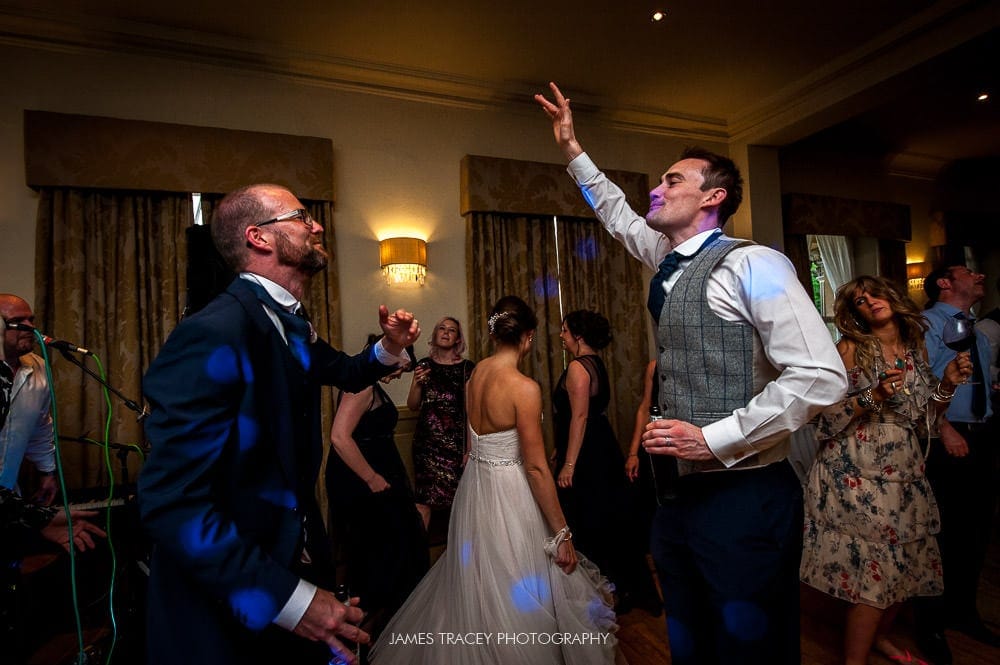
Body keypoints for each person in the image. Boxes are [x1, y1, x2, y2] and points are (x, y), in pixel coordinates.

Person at [535, 82, 847, 664]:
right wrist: (572, 147)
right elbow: (617, 215)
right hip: (676, 498)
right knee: (691, 637)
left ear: (714, 197)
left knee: (749, 645)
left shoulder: (753, 263)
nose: (657, 186)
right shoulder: (667, 260)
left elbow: (820, 375)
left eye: (673, 180)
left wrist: (712, 439)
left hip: (745, 496)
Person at [138, 183, 421, 665]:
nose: (317, 226)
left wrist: (390, 348)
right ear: (259, 238)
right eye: (301, 216)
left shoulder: (289, 319)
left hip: (289, 553)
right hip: (226, 598)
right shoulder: (213, 331)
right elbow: (171, 501)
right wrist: (291, 601)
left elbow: (344, 371)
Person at [369, 296, 622, 664]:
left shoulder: (476, 376)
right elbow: (535, 469)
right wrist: (561, 534)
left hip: (474, 486)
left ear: (493, 334)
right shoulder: (523, 387)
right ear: (529, 336)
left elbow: (471, 444)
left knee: (480, 571)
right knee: (516, 569)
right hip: (508, 487)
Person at [800, 275, 968, 665]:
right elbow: (821, 419)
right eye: (860, 301)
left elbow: (922, 418)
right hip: (855, 470)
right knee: (874, 573)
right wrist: (873, 396)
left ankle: (879, 638)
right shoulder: (849, 350)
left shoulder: (915, 348)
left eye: (874, 293)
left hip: (904, 469)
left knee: (905, 568)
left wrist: (947, 385)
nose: (870, 301)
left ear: (891, 297)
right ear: (854, 314)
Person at [916, 265, 1000, 662]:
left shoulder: (978, 331)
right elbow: (919, 385)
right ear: (945, 284)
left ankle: (963, 612)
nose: (980, 275)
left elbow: (975, 383)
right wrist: (943, 428)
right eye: (970, 272)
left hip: (980, 433)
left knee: (976, 528)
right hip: (943, 435)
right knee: (941, 531)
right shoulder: (924, 325)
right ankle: (930, 625)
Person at [326, 336, 429, 658]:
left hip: (378, 480)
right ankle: (358, 638)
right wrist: (371, 478)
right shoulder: (362, 386)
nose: (400, 374)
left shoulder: (370, 383)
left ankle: (379, 633)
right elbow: (340, 438)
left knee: (402, 548)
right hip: (362, 483)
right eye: (400, 366)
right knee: (385, 557)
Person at [552, 309, 659, 615]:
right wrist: (558, 451)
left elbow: (580, 416)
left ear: (578, 336)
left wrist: (569, 463)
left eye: (565, 330)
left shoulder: (577, 367)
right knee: (608, 518)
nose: (561, 335)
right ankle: (614, 587)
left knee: (589, 520)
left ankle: (601, 590)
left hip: (588, 454)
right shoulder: (595, 362)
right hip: (600, 446)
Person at [406, 316, 475, 531]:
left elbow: (471, 411)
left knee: (462, 502)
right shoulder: (424, 365)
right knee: (423, 501)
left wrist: (469, 448)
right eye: (441, 328)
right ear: (435, 335)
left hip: (455, 446)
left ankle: (460, 559)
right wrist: (417, 384)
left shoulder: (467, 368)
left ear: (457, 338)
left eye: (452, 330)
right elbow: (413, 406)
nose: (446, 332)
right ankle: (418, 559)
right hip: (427, 446)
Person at [0, 294, 57, 504]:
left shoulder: (38, 366)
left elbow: (41, 425)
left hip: (9, 497)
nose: (30, 327)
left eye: (31, 320)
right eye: (18, 321)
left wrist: (47, 471)